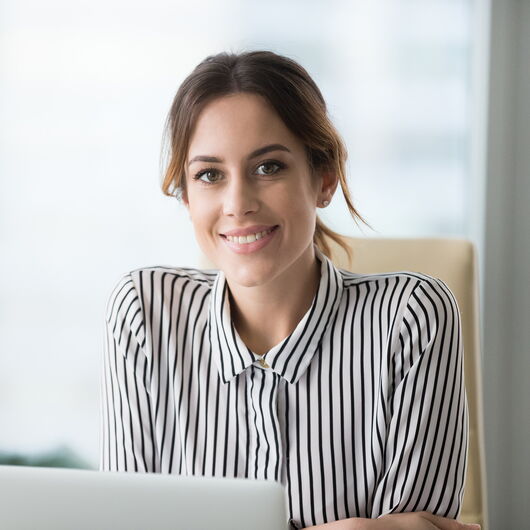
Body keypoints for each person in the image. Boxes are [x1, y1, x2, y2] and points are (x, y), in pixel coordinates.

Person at [100, 50, 478, 530]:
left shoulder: (410, 318)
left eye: (268, 167)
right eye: (210, 175)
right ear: (187, 196)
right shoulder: (143, 313)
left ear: (324, 179)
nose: (237, 204)